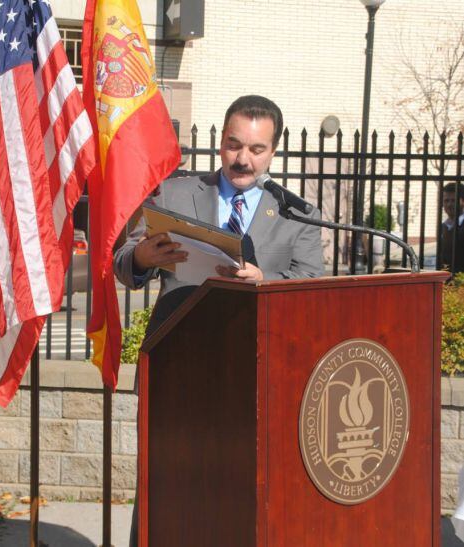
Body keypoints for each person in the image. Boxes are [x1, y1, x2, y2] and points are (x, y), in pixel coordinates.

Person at [113, 95, 324, 547]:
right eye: (233, 145)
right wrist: (143, 255)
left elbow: (310, 285)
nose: (242, 159)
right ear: (220, 142)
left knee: (240, 490)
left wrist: (264, 280)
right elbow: (123, 264)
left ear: (274, 151)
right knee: (163, 481)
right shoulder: (173, 193)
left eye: (256, 149)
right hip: (175, 362)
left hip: (255, 372)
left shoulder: (296, 214)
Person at [441, 182, 464, 273]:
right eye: (446, 201)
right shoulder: (443, 226)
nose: (449, 204)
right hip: (446, 282)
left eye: (454, 200)